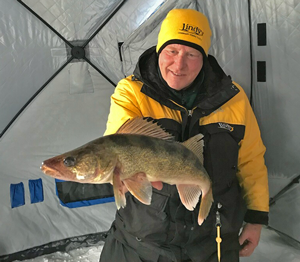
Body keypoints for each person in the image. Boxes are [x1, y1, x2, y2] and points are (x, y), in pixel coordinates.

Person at [100, 8, 269, 262]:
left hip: (214, 242)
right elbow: (118, 144)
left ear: (204, 58)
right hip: (141, 244)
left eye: (191, 54)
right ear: (159, 50)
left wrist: (255, 219)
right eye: (172, 51)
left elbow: (251, 161)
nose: (179, 64)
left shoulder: (234, 99)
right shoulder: (132, 92)